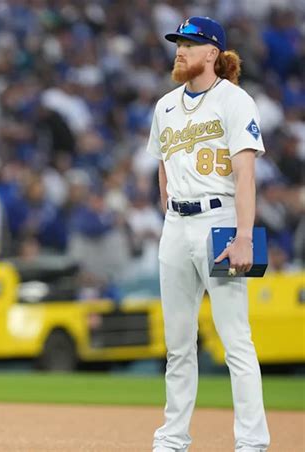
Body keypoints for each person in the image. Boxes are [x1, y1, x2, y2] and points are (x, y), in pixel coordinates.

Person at [146, 17, 270, 452]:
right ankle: (172, 438)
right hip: (177, 225)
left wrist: (244, 236)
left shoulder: (234, 100)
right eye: (178, 43)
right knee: (178, 344)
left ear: (212, 53)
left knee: (235, 339)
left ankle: (252, 441)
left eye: (190, 44)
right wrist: (170, 211)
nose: (180, 50)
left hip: (220, 221)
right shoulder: (165, 106)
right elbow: (162, 166)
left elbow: (245, 175)